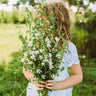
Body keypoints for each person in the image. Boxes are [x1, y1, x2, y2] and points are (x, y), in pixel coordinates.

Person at [23, 1, 83, 96]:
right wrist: (34, 79)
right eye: (39, 22)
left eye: (46, 22)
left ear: (60, 24)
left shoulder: (68, 47)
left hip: (59, 92)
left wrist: (58, 85)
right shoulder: (34, 45)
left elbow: (78, 75)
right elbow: (26, 69)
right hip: (36, 92)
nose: (41, 26)